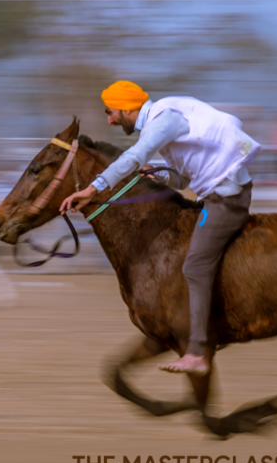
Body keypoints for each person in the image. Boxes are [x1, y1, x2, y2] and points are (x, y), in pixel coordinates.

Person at [60, 81, 260, 376]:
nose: (109, 120)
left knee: (195, 266)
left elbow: (133, 157)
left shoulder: (163, 121)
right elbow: (182, 180)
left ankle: (197, 351)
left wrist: (92, 189)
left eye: (110, 112)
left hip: (226, 198)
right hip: (216, 192)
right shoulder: (162, 124)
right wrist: (156, 175)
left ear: (127, 108)